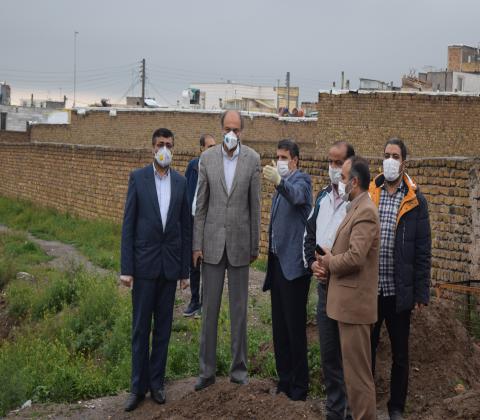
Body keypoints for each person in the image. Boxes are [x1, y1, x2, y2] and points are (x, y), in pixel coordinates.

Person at [120, 128, 191, 412]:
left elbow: (185, 229)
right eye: (161, 144)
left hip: (169, 268)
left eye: (169, 145)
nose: (165, 149)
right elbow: (128, 225)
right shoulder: (138, 178)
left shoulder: (181, 182)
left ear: (174, 149)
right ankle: (137, 387)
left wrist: (185, 271)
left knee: (163, 329)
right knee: (140, 329)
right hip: (144, 266)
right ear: (152, 148)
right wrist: (126, 269)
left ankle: (157, 384)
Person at [192, 110, 261, 391]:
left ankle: (239, 370)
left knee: (239, 312)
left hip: (240, 245)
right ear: (221, 129)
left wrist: (255, 244)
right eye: (227, 128)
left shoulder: (253, 159)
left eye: (236, 129)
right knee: (209, 310)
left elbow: (255, 206)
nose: (231, 134)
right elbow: (201, 206)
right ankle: (206, 371)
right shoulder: (207, 159)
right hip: (211, 245)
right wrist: (197, 245)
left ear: (242, 131)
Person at [369, 138, 431, 420]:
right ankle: (365, 402)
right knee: (366, 350)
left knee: (400, 355)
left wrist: (420, 292)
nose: (390, 160)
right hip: (370, 289)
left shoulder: (416, 200)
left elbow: (422, 249)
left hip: (399, 291)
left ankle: (396, 407)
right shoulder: (371, 191)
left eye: (395, 156)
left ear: (404, 161)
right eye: (386, 155)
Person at [318, 156, 380, 420]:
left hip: (355, 308)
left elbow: (356, 257)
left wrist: (330, 262)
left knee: (358, 378)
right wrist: (327, 258)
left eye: (343, 177)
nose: (339, 181)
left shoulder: (365, 211)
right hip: (344, 305)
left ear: (354, 182)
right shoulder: (354, 208)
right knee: (351, 376)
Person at [303, 141, 355, 420]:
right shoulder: (323, 196)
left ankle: (352, 410)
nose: (333, 168)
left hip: (347, 289)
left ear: (350, 164)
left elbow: (359, 251)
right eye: (330, 162)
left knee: (350, 355)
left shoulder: (357, 201)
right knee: (329, 354)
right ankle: (335, 410)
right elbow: (309, 236)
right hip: (324, 288)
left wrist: (332, 266)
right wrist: (314, 264)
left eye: (338, 162)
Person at [262, 139, 312, 401]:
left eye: (284, 157)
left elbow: (297, 196)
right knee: (280, 329)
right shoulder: (279, 187)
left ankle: (300, 386)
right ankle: (284, 380)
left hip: (294, 269)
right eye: (277, 157)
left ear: (295, 160)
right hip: (278, 265)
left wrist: (280, 182)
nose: (279, 161)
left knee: (294, 330)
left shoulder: (302, 181)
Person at [183, 134, 216, 318]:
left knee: (208, 264)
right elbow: (186, 189)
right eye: (209, 146)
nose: (213, 149)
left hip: (208, 223)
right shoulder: (193, 166)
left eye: (214, 146)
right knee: (193, 263)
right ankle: (194, 301)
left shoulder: (217, 168)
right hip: (192, 220)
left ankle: (205, 303)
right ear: (201, 148)